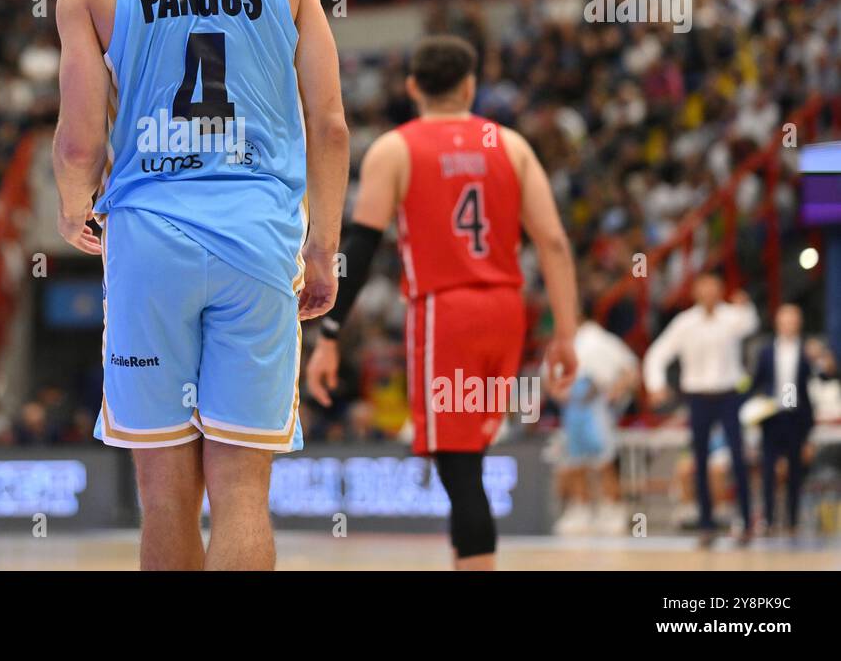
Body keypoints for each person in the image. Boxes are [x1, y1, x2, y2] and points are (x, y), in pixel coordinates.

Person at [52, 0, 348, 571]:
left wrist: (74, 203)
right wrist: (321, 248)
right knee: (243, 494)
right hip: (258, 237)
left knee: (164, 495)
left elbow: (80, 142)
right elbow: (329, 125)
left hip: (150, 238)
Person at [308, 35, 578, 570]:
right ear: (470, 86)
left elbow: (359, 248)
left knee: (461, 470)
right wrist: (567, 334)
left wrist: (330, 334)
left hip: (445, 313)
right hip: (506, 310)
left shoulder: (395, 148)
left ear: (412, 87)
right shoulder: (513, 146)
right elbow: (553, 243)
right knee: (470, 458)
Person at [642, 273, 757, 540]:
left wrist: (745, 305)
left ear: (720, 291)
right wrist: (655, 384)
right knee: (700, 459)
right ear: (695, 293)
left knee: (738, 457)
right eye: (702, 289)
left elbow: (750, 323)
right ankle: (706, 523)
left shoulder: (732, 317)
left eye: (713, 288)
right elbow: (658, 353)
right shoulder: (685, 323)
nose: (708, 293)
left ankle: (746, 520)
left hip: (729, 395)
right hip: (698, 398)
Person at [747, 304, 837, 534]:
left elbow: (826, 374)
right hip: (772, 416)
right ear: (778, 322)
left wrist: (824, 359)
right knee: (768, 469)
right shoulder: (766, 351)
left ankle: (792, 520)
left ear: (799, 323)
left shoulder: (808, 350)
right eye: (784, 320)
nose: (788, 325)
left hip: (796, 417)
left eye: (793, 320)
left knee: (795, 471)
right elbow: (756, 382)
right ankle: (767, 519)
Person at [546, 314, 639, 536]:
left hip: (597, 410)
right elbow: (546, 377)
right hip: (571, 411)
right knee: (574, 461)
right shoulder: (559, 344)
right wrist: (559, 393)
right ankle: (581, 508)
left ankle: (613, 508)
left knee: (604, 460)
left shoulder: (600, 340)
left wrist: (614, 393)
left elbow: (630, 369)